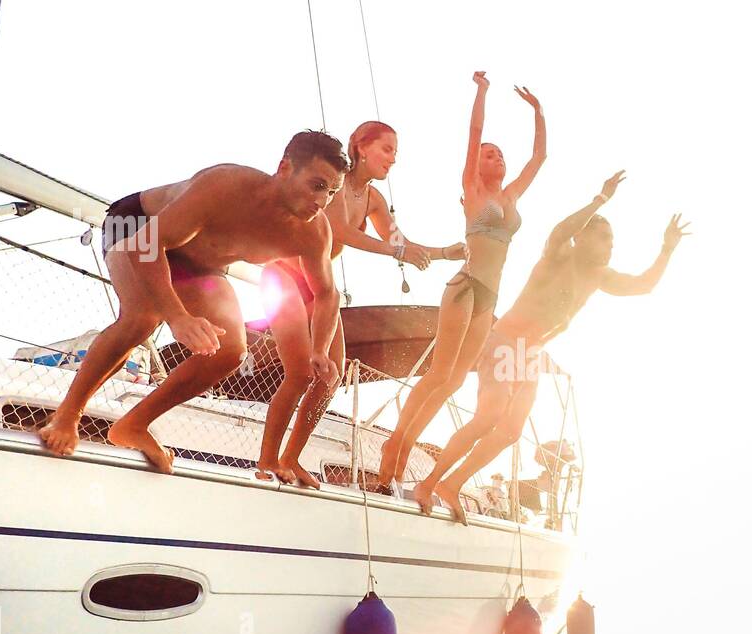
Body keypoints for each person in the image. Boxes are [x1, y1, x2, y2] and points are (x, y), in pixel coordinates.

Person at [38, 131, 350, 473]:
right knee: (144, 317)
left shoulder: (314, 231)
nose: (322, 201)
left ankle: (133, 426)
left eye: (332, 192)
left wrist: (319, 349)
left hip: (201, 263)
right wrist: (178, 317)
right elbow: (149, 244)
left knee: (231, 350)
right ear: (285, 168)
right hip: (139, 226)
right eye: (317, 185)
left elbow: (326, 294)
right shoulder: (226, 186)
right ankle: (66, 416)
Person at [415, 173, 690, 523]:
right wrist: (599, 200)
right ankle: (429, 482)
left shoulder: (599, 275)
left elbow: (642, 285)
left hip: (531, 355)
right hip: (506, 342)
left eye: (612, 240)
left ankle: (452, 484)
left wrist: (666, 249)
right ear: (582, 238)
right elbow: (559, 232)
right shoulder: (559, 257)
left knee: (511, 432)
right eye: (604, 238)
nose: (611, 246)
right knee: (489, 417)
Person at [255, 121, 464, 488]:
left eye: (396, 153)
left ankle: (291, 457)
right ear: (362, 148)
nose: (393, 159)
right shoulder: (333, 182)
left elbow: (399, 240)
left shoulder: (373, 200)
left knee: (330, 377)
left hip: (321, 289)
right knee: (300, 373)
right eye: (387, 150)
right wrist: (395, 250)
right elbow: (341, 232)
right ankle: (267, 460)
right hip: (285, 277)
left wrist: (444, 253)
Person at [374, 72, 547, 493]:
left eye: (500, 155)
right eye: (489, 155)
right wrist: (482, 92)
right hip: (466, 286)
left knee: (454, 381)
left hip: (490, 297)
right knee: (439, 375)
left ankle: (404, 442)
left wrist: (539, 113)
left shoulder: (511, 198)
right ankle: (395, 443)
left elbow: (538, 159)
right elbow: (474, 133)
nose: (496, 158)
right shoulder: (472, 188)